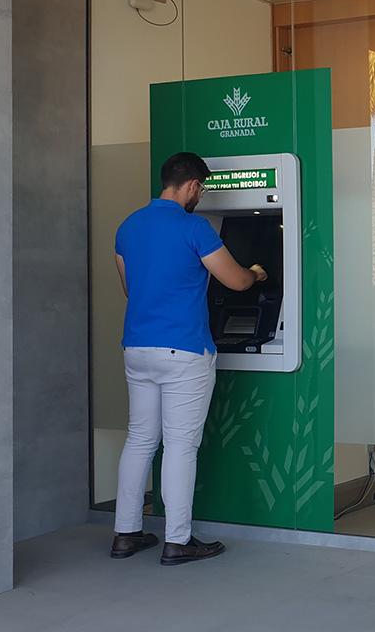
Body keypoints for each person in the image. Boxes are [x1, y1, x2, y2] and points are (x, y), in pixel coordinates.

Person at [109, 152, 267, 565]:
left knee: (140, 439)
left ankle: (126, 533)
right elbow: (235, 282)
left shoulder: (128, 227)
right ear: (194, 185)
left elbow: (130, 288)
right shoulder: (194, 227)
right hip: (183, 350)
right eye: (203, 188)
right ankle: (177, 540)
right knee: (180, 445)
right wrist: (257, 273)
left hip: (138, 347)